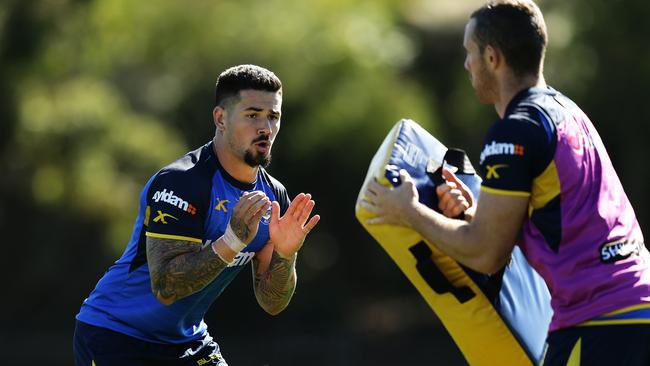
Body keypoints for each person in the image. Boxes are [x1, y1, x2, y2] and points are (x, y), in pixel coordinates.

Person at [361, 1, 650, 364]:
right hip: (634, 306)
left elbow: (486, 254)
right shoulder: (567, 112)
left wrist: (408, 211)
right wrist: (474, 214)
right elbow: (562, 219)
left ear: (493, 58)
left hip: (601, 323)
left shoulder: (515, 130)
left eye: (470, 52)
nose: (467, 64)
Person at [73, 64, 320, 365]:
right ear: (220, 118)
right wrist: (232, 240)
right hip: (118, 336)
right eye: (253, 115)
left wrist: (286, 253)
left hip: (187, 340)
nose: (265, 128)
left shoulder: (274, 196)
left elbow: (272, 302)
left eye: (273, 116)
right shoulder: (182, 182)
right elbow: (166, 287)